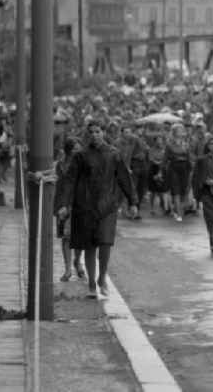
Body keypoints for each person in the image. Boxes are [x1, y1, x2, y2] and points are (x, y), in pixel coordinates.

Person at [57, 121, 138, 299]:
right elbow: (70, 181)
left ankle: (102, 277)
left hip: (107, 206)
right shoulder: (80, 156)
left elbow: (124, 179)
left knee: (105, 243)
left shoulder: (114, 154)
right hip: (84, 206)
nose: (95, 134)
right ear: (88, 134)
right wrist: (64, 204)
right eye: (91, 131)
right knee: (89, 246)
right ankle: (92, 283)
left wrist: (133, 202)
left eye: (98, 131)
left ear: (103, 132)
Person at [54, 135, 85, 282]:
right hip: (64, 205)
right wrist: (60, 206)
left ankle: (77, 261)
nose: (78, 153)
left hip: (80, 204)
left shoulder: (85, 165)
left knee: (79, 237)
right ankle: (67, 269)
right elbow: (58, 187)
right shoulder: (60, 165)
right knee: (66, 238)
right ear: (68, 151)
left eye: (80, 150)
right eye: (74, 150)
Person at [164, 123, 193, 222]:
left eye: (182, 130)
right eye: (179, 130)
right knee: (176, 191)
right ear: (174, 132)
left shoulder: (186, 144)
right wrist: (160, 172)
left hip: (185, 169)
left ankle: (177, 210)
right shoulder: (169, 145)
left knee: (184, 192)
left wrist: (192, 169)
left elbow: (189, 158)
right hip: (174, 168)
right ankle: (179, 213)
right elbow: (165, 160)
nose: (181, 132)